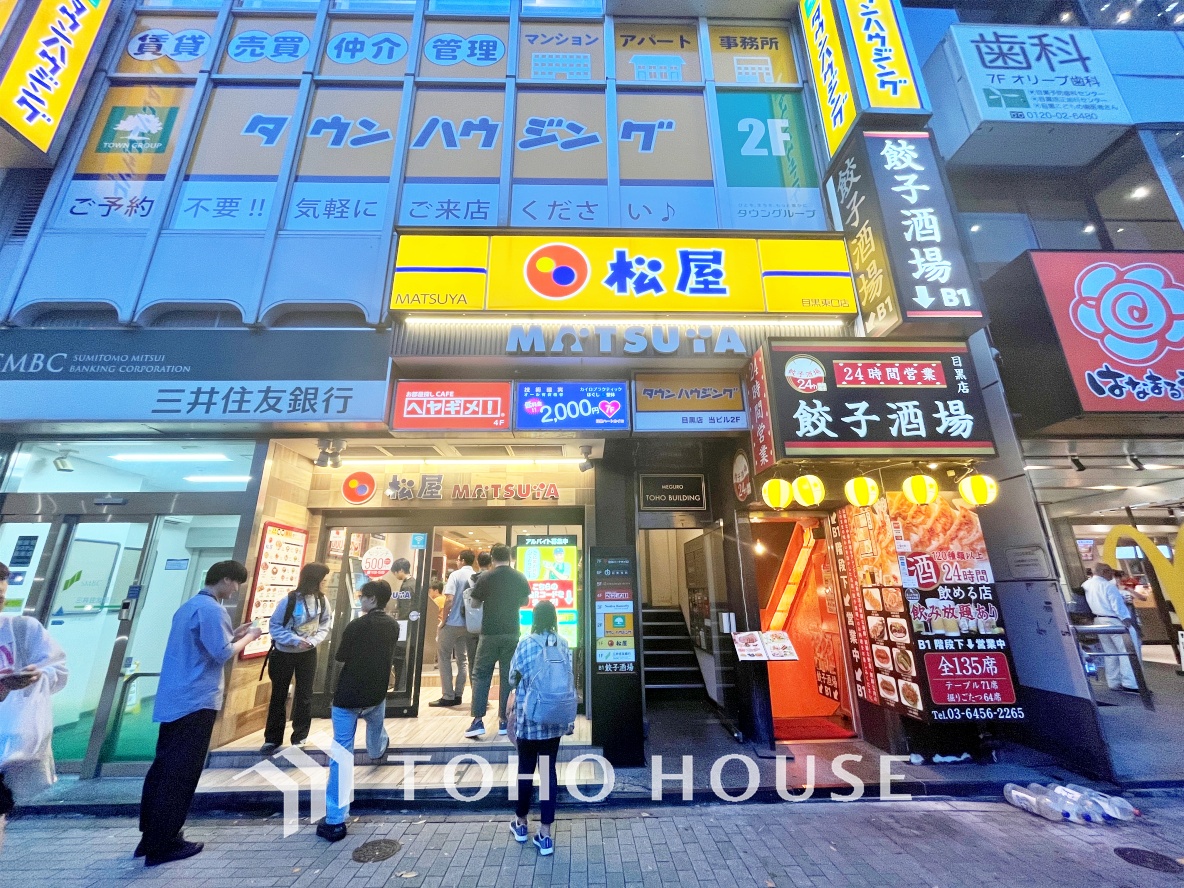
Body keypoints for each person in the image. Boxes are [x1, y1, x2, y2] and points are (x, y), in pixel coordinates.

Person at [138, 561, 260, 866]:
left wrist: (235, 633)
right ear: (226, 579)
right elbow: (222, 653)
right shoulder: (212, 609)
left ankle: (151, 835)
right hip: (195, 700)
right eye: (236, 583)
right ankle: (163, 844)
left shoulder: (189, 607)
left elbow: (209, 645)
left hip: (175, 698)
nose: (236, 590)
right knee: (181, 773)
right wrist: (251, 636)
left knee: (164, 768)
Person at [317, 580, 399, 843]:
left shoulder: (355, 626)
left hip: (348, 696)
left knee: (342, 753)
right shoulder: (393, 625)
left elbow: (341, 657)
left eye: (364, 597)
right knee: (376, 724)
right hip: (376, 693)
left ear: (373, 599)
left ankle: (335, 819)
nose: (361, 600)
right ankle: (377, 750)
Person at [0, 560, 68, 843]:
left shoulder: (21, 629)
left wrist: (38, 677)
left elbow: (59, 672)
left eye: (1, 598)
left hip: (7, 745)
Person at [507, 601, 575, 857]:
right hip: (554, 719)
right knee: (548, 772)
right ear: (554, 618)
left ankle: (521, 823)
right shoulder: (563, 643)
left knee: (525, 770)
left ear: (534, 619)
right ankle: (545, 834)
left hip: (529, 719)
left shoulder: (525, 643)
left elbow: (512, 678)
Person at [261, 563, 333, 755]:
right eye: (323, 579)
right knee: (279, 694)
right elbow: (275, 626)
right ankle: (272, 738)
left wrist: (313, 641)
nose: (325, 582)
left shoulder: (322, 601)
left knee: (305, 695)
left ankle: (300, 736)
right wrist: (294, 640)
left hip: (308, 653)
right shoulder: (289, 600)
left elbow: (325, 624)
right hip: (284, 653)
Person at [466, 544, 530, 739]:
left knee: (481, 674)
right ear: (509, 557)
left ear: (492, 558)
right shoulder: (519, 576)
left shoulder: (485, 577)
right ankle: (504, 720)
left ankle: (478, 721)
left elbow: (474, 603)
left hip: (489, 633)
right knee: (507, 676)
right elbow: (525, 602)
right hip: (512, 631)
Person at [1083, 562, 1140, 692]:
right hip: (1114, 621)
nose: (1112, 575)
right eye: (1110, 571)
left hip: (1098, 621)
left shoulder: (1086, 585)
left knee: (1110, 653)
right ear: (1104, 572)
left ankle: (1114, 681)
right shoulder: (1107, 586)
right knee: (1127, 651)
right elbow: (1117, 605)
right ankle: (1130, 683)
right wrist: (1126, 619)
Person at [431, 550, 475, 708]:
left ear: (462, 560)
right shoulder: (475, 576)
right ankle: (458, 694)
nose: (457, 562)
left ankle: (448, 696)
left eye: (458, 560)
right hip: (469, 625)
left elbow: (449, 600)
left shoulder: (455, 575)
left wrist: (443, 621)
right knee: (463, 660)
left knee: (444, 657)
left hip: (452, 623)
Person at [389, 558, 415, 690]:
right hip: (411, 624)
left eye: (395, 572)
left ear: (400, 570)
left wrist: (398, 624)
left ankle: (400, 686)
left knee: (399, 656)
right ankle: (401, 686)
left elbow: (405, 609)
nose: (395, 575)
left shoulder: (406, 586)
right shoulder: (414, 582)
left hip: (405, 625)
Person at [465, 551, 492, 667]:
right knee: (487, 659)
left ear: (477, 562)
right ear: (491, 563)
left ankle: (473, 678)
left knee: (472, 659)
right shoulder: (492, 579)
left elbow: (464, 602)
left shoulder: (470, 580)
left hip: (472, 623)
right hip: (488, 624)